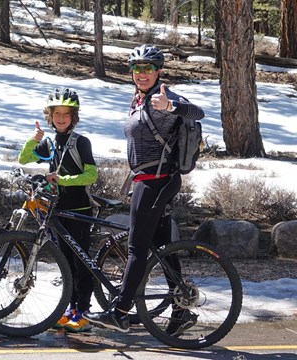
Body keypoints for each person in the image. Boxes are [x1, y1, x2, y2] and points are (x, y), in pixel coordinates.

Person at [85, 44, 205, 335]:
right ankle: (180, 311)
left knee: (137, 248)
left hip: (157, 181)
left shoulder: (164, 98)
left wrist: (171, 107)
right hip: (147, 180)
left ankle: (121, 311)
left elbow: (198, 112)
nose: (141, 73)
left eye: (147, 68)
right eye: (137, 69)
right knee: (162, 247)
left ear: (158, 71)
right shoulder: (138, 99)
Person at [18, 88, 98, 333]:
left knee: (81, 261)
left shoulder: (81, 141)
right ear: (49, 116)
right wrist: (34, 138)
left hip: (80, 209)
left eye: (66, 113)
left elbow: (91, 174)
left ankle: (83, 311)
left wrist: (63, 179)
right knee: (66, 262)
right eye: (56, 113)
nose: (61, 118)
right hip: (59, 210)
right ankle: (70, 308)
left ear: (74, 116)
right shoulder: (50, 141)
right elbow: (24, 159)